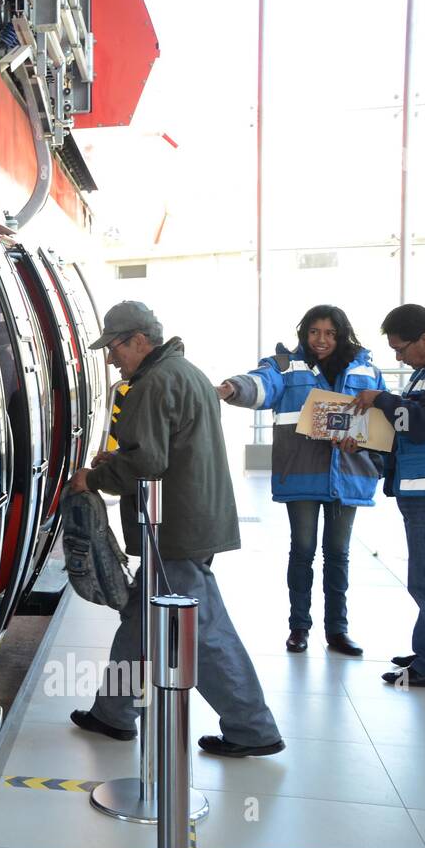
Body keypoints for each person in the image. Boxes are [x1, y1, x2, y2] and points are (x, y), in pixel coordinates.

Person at [67, 301, 284, 757]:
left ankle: (252, 728)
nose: (111, 358)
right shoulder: (187, 373)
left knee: (200, 629)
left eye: (115, 347)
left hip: (175, 529)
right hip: (190, 517)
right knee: (141, 620)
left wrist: (97, 477)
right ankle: (114, 712)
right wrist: (121, 461)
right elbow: (169, 450)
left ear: (140, 341)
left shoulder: (152, 384)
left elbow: (148, 462)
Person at [216, 306, 387, 656]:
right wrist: (233, 388)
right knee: (303, 551)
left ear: (342, 334)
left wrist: (368, 449)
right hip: (302, 474)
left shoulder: (367, 369)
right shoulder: (286, 366)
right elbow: (261, 384)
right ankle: (299, 627)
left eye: (329, 333)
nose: (321, 340)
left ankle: (338, 630)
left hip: (350, 477)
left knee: (338, 555)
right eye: (313, 332)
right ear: (303, 333)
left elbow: (382, 421)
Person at [348, 304, 425, 688]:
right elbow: (407, 428)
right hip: (424, 488)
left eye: (401, 348)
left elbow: (423, 423)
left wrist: (381, 400)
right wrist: (364, 441)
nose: (398, 357)